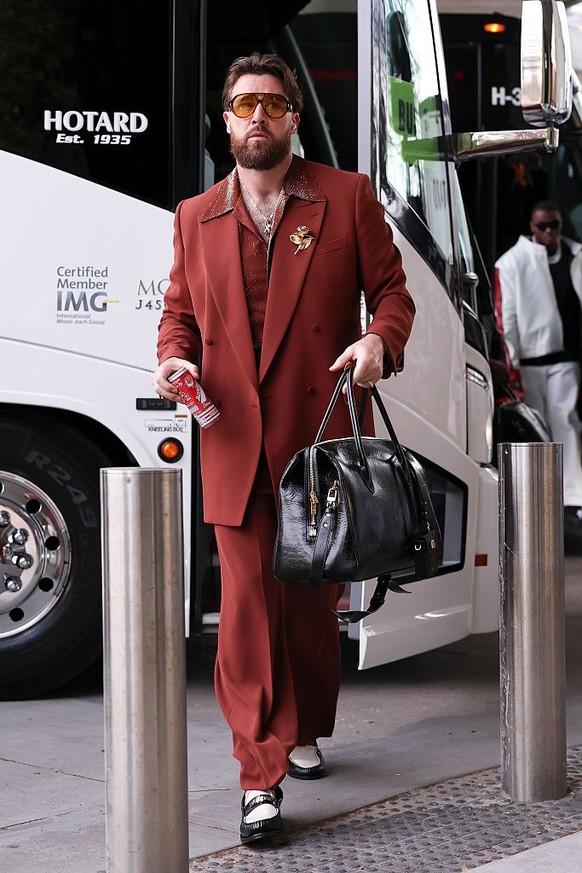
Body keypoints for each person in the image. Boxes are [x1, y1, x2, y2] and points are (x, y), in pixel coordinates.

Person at [153, 52, 415, 844]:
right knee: (244, 610)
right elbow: (180, 316)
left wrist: (377, 341)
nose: (256, 117)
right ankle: (258, 776)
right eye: (242, 105)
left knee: (309, 606)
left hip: (321, 443)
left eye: (271, 104)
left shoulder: (346, 196)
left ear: (293, 117)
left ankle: (302, 727)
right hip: (234, 437)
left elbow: (393, 292)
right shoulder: (194, 215)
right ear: (226, 121)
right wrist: (174, 358)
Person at [494, 200, 582, 547]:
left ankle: (571, 500)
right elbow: (507, 317)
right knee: (540, 428)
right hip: (530, 359)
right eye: (542, 226)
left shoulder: (575, 255)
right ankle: (547, 500)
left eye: (554, 226)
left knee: (565, 422)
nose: (548, 232)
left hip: (565, 356)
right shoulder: (512, 262)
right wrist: (511, 363)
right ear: (531, 226)